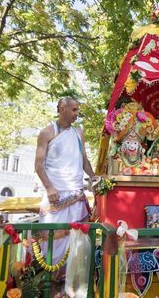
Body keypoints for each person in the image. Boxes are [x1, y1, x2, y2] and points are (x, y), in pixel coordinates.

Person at [34, 97, 97, 266]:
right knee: (54, 243)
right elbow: (39, 165)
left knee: (78, 244)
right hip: (55, 195)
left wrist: (93, 177)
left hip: (77, 195)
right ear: (63, 109)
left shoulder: (78, 133)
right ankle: (54, 285)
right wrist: (49, 188)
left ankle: (73, 287)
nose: (77, 114)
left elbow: (84, 160)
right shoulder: (47, 132)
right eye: (74, 109)